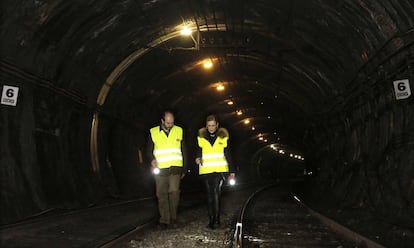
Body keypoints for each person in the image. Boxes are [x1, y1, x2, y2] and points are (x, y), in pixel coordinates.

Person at [195, 114, 236, 229]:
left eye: (213, 125)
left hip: (219, 170)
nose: (211, 128)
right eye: (209, 125)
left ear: (217, 125)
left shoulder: (223, 137)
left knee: (216, 193)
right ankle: (211, 220)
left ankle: (216, 220)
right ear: (206, 126)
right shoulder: (201, 137)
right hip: (206, 169)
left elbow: (228, 154)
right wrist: (197, 158)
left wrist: (232, 171)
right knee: (209, 195)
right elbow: (198, 150)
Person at [148, 110, 186, 229]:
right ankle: (164, 220)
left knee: (174, 192)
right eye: (168, 122)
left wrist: (184, 168)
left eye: (172, 122)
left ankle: (173, 218)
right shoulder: (153, 132)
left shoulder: (179, 131)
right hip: (160, 169)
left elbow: (184, 150)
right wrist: (151, 159)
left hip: (175, 168)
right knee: (161, 194)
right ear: (162, 121)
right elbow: (148, 150)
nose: (170, 125)